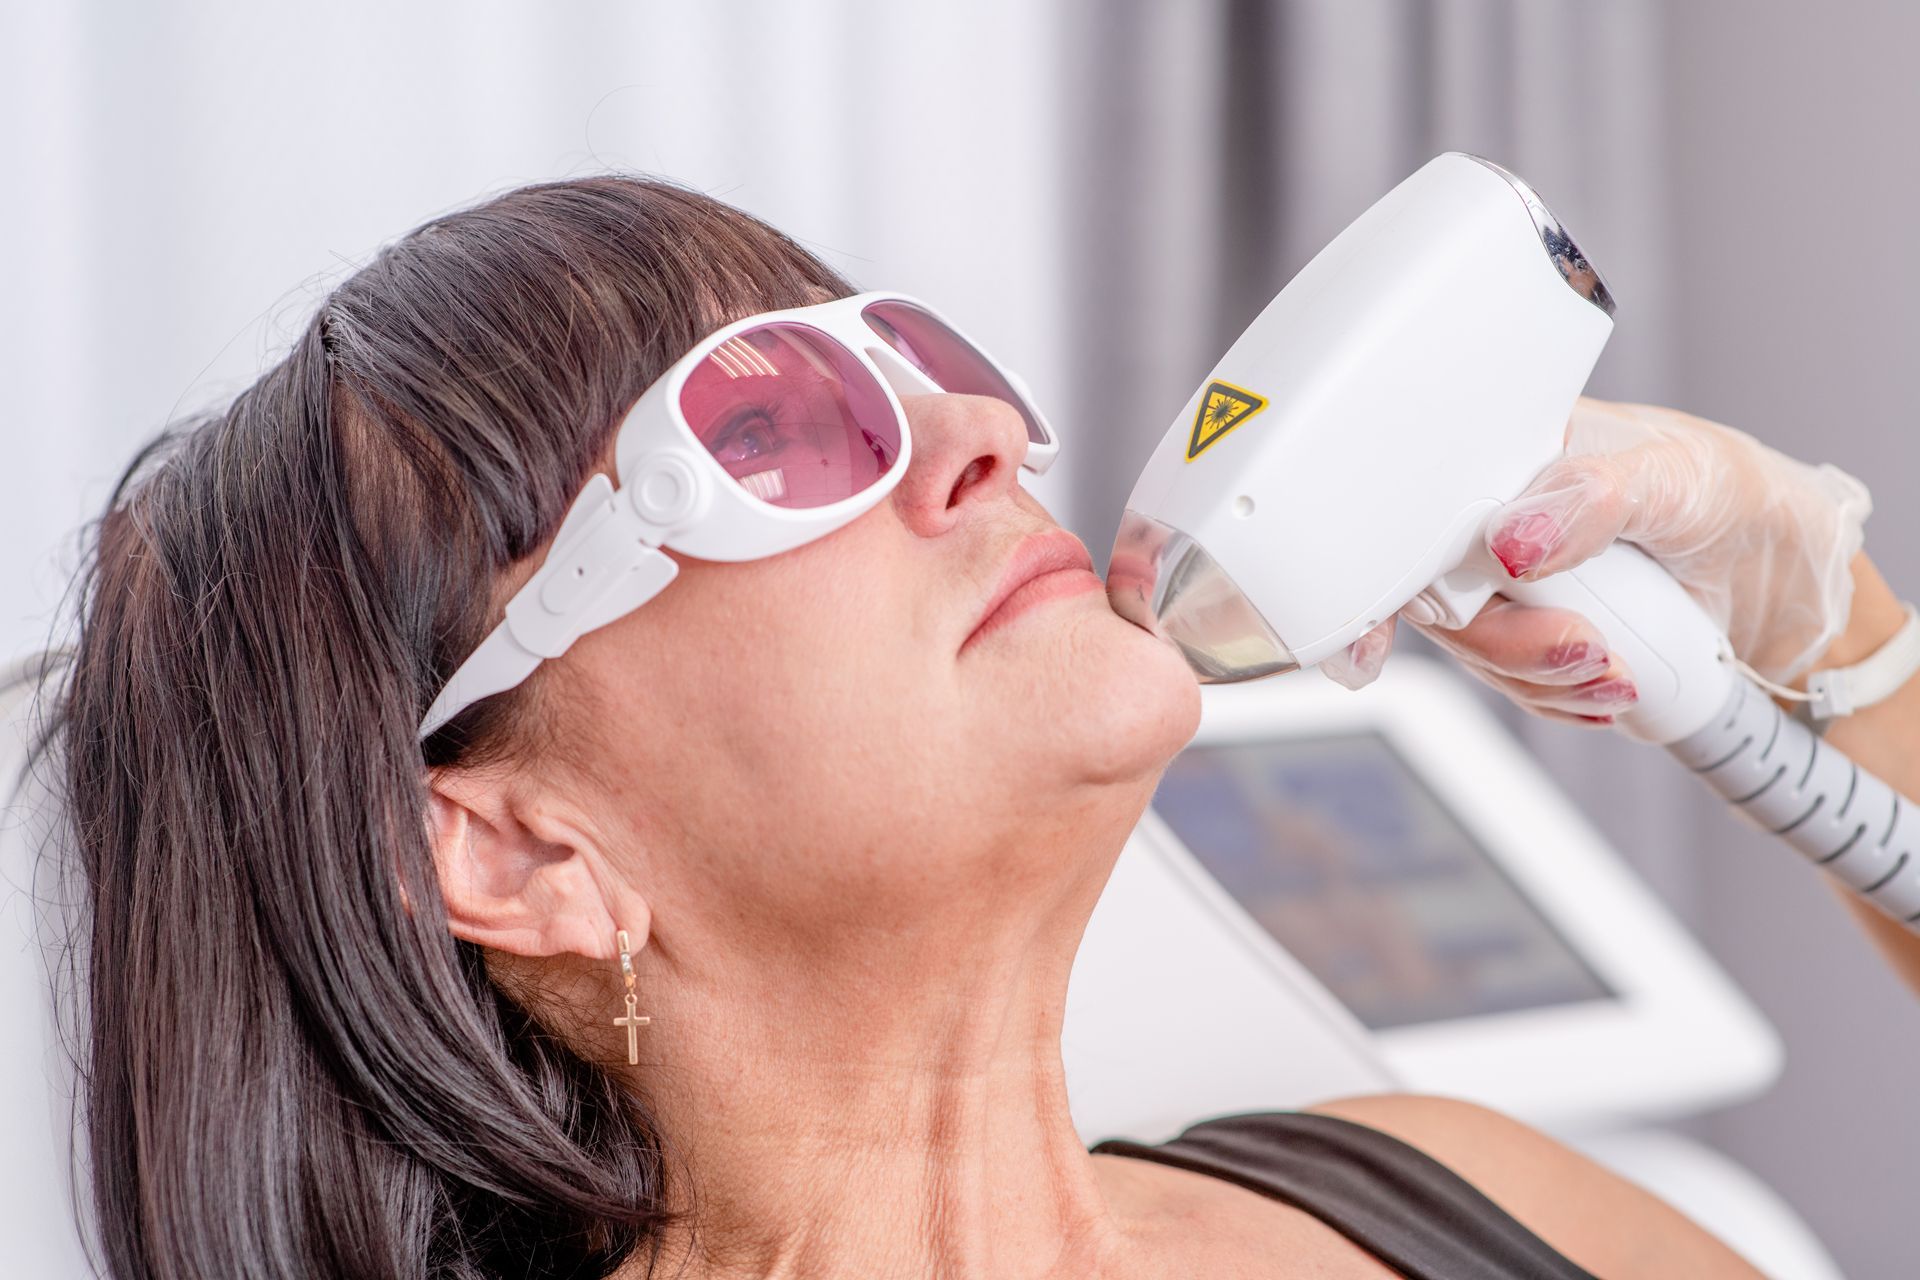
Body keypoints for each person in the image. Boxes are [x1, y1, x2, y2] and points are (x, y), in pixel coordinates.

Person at [44, 175, 1916, 1279]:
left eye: (917, 356)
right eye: (766, 433)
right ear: (520, 846)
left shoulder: (1451, 1191)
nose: (979, 438)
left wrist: (1840, 645)